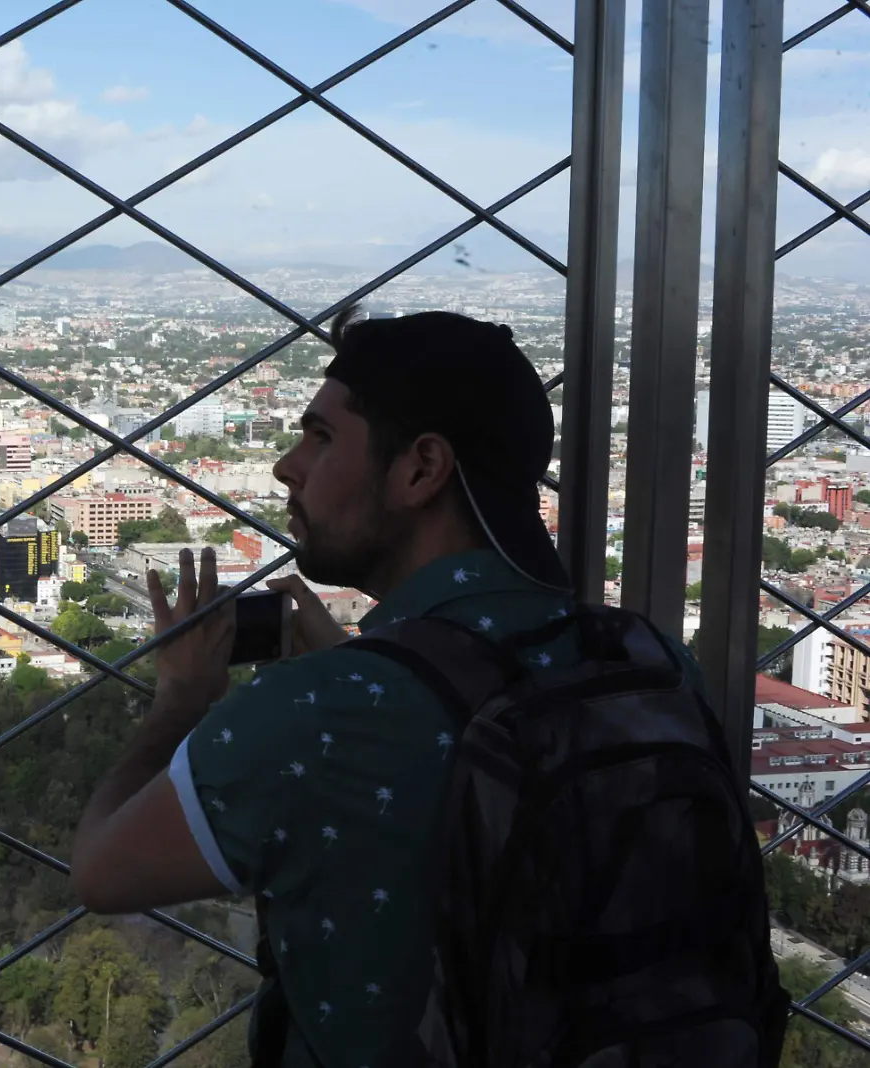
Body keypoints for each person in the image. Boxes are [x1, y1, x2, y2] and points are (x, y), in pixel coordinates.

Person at [69, 307, 722, 1066]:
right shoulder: (656, 666)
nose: (287, 466)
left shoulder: (316, 717)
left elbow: (100, 870)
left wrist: (180, 702)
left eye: (319, 438)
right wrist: (367, 662)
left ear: (420, 469)